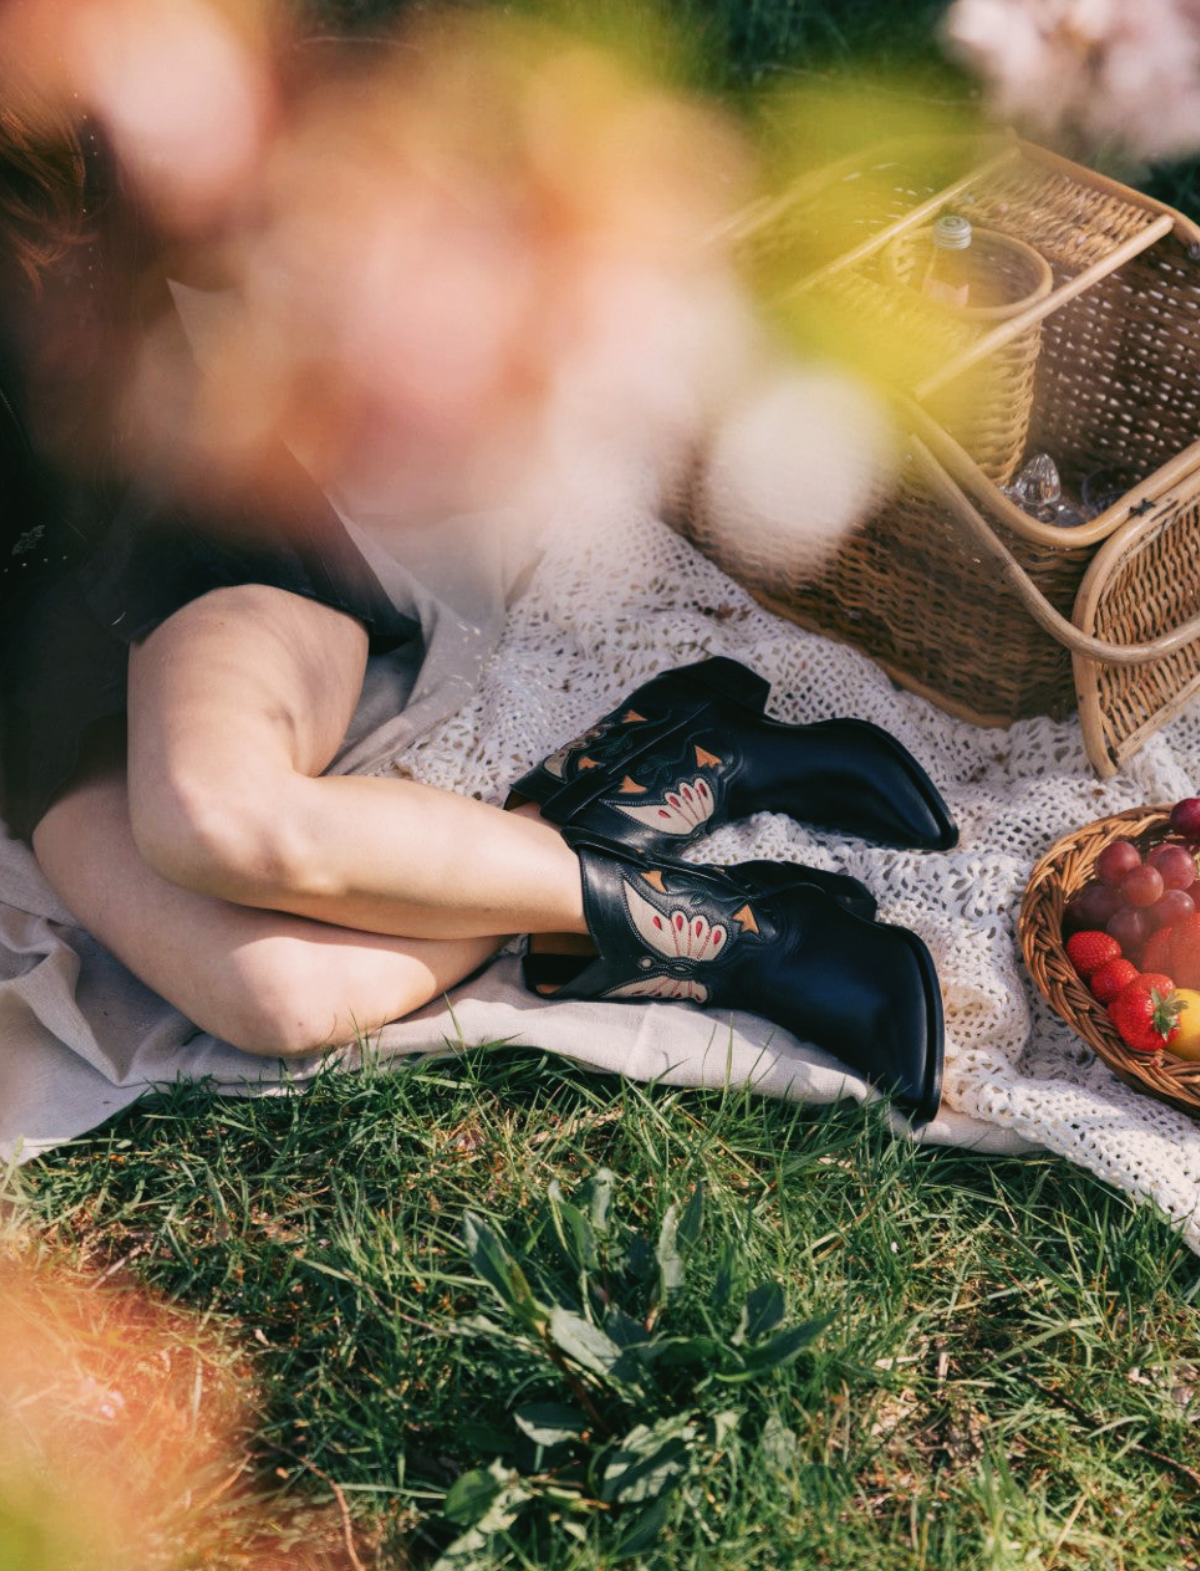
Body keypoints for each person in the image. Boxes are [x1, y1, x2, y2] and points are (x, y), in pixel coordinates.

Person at [0, 88, 956, 1128]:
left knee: (215, 818)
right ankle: (627, 788)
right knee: (280, 997)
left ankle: (756, 938)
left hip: (163, 561)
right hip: (31, 714)